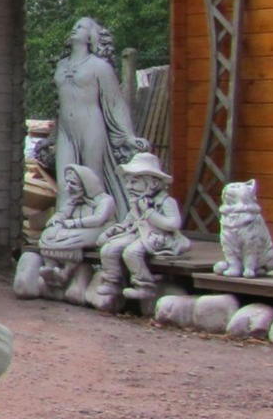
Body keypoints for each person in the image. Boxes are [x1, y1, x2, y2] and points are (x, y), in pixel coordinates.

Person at [53, 17, 148, 216]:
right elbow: (59, 104)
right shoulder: (61, 65)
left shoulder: (99, 66)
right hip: (65, 129)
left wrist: (128, 135)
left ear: (90, 36)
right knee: (64, 180)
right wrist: (51, 136)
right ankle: (61, 223)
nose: (74, 29)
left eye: (80, 26)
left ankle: (98, 220)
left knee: (92, 179)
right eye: (73, 26)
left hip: (91, 126)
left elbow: (115, 103)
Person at [95, 153, 188, 301]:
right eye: (128, 181)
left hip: (158, 236)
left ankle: (144, 286)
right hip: (137, 233)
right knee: (109, 248)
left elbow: (173, 224)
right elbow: (130, 219)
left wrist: (149, 212)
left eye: (134, 182)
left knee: (131, 252)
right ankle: (112, 282)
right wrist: (121, 227)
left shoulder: (166, 201)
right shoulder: (137, 201)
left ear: (153, 183)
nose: (128, 186)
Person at [36, 166, 116, 294]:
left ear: (86, 183)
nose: (68, 187)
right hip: (74, 228)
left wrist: (73, 223)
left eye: (72, 183)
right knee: (48, 235)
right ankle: (51, 268)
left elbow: (98, 219)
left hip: (99, 230)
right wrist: (56, 219)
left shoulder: (106, 200)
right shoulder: (74, 200)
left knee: (73, 239)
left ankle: (66, 273)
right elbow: (62, 214)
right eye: (67, 182)